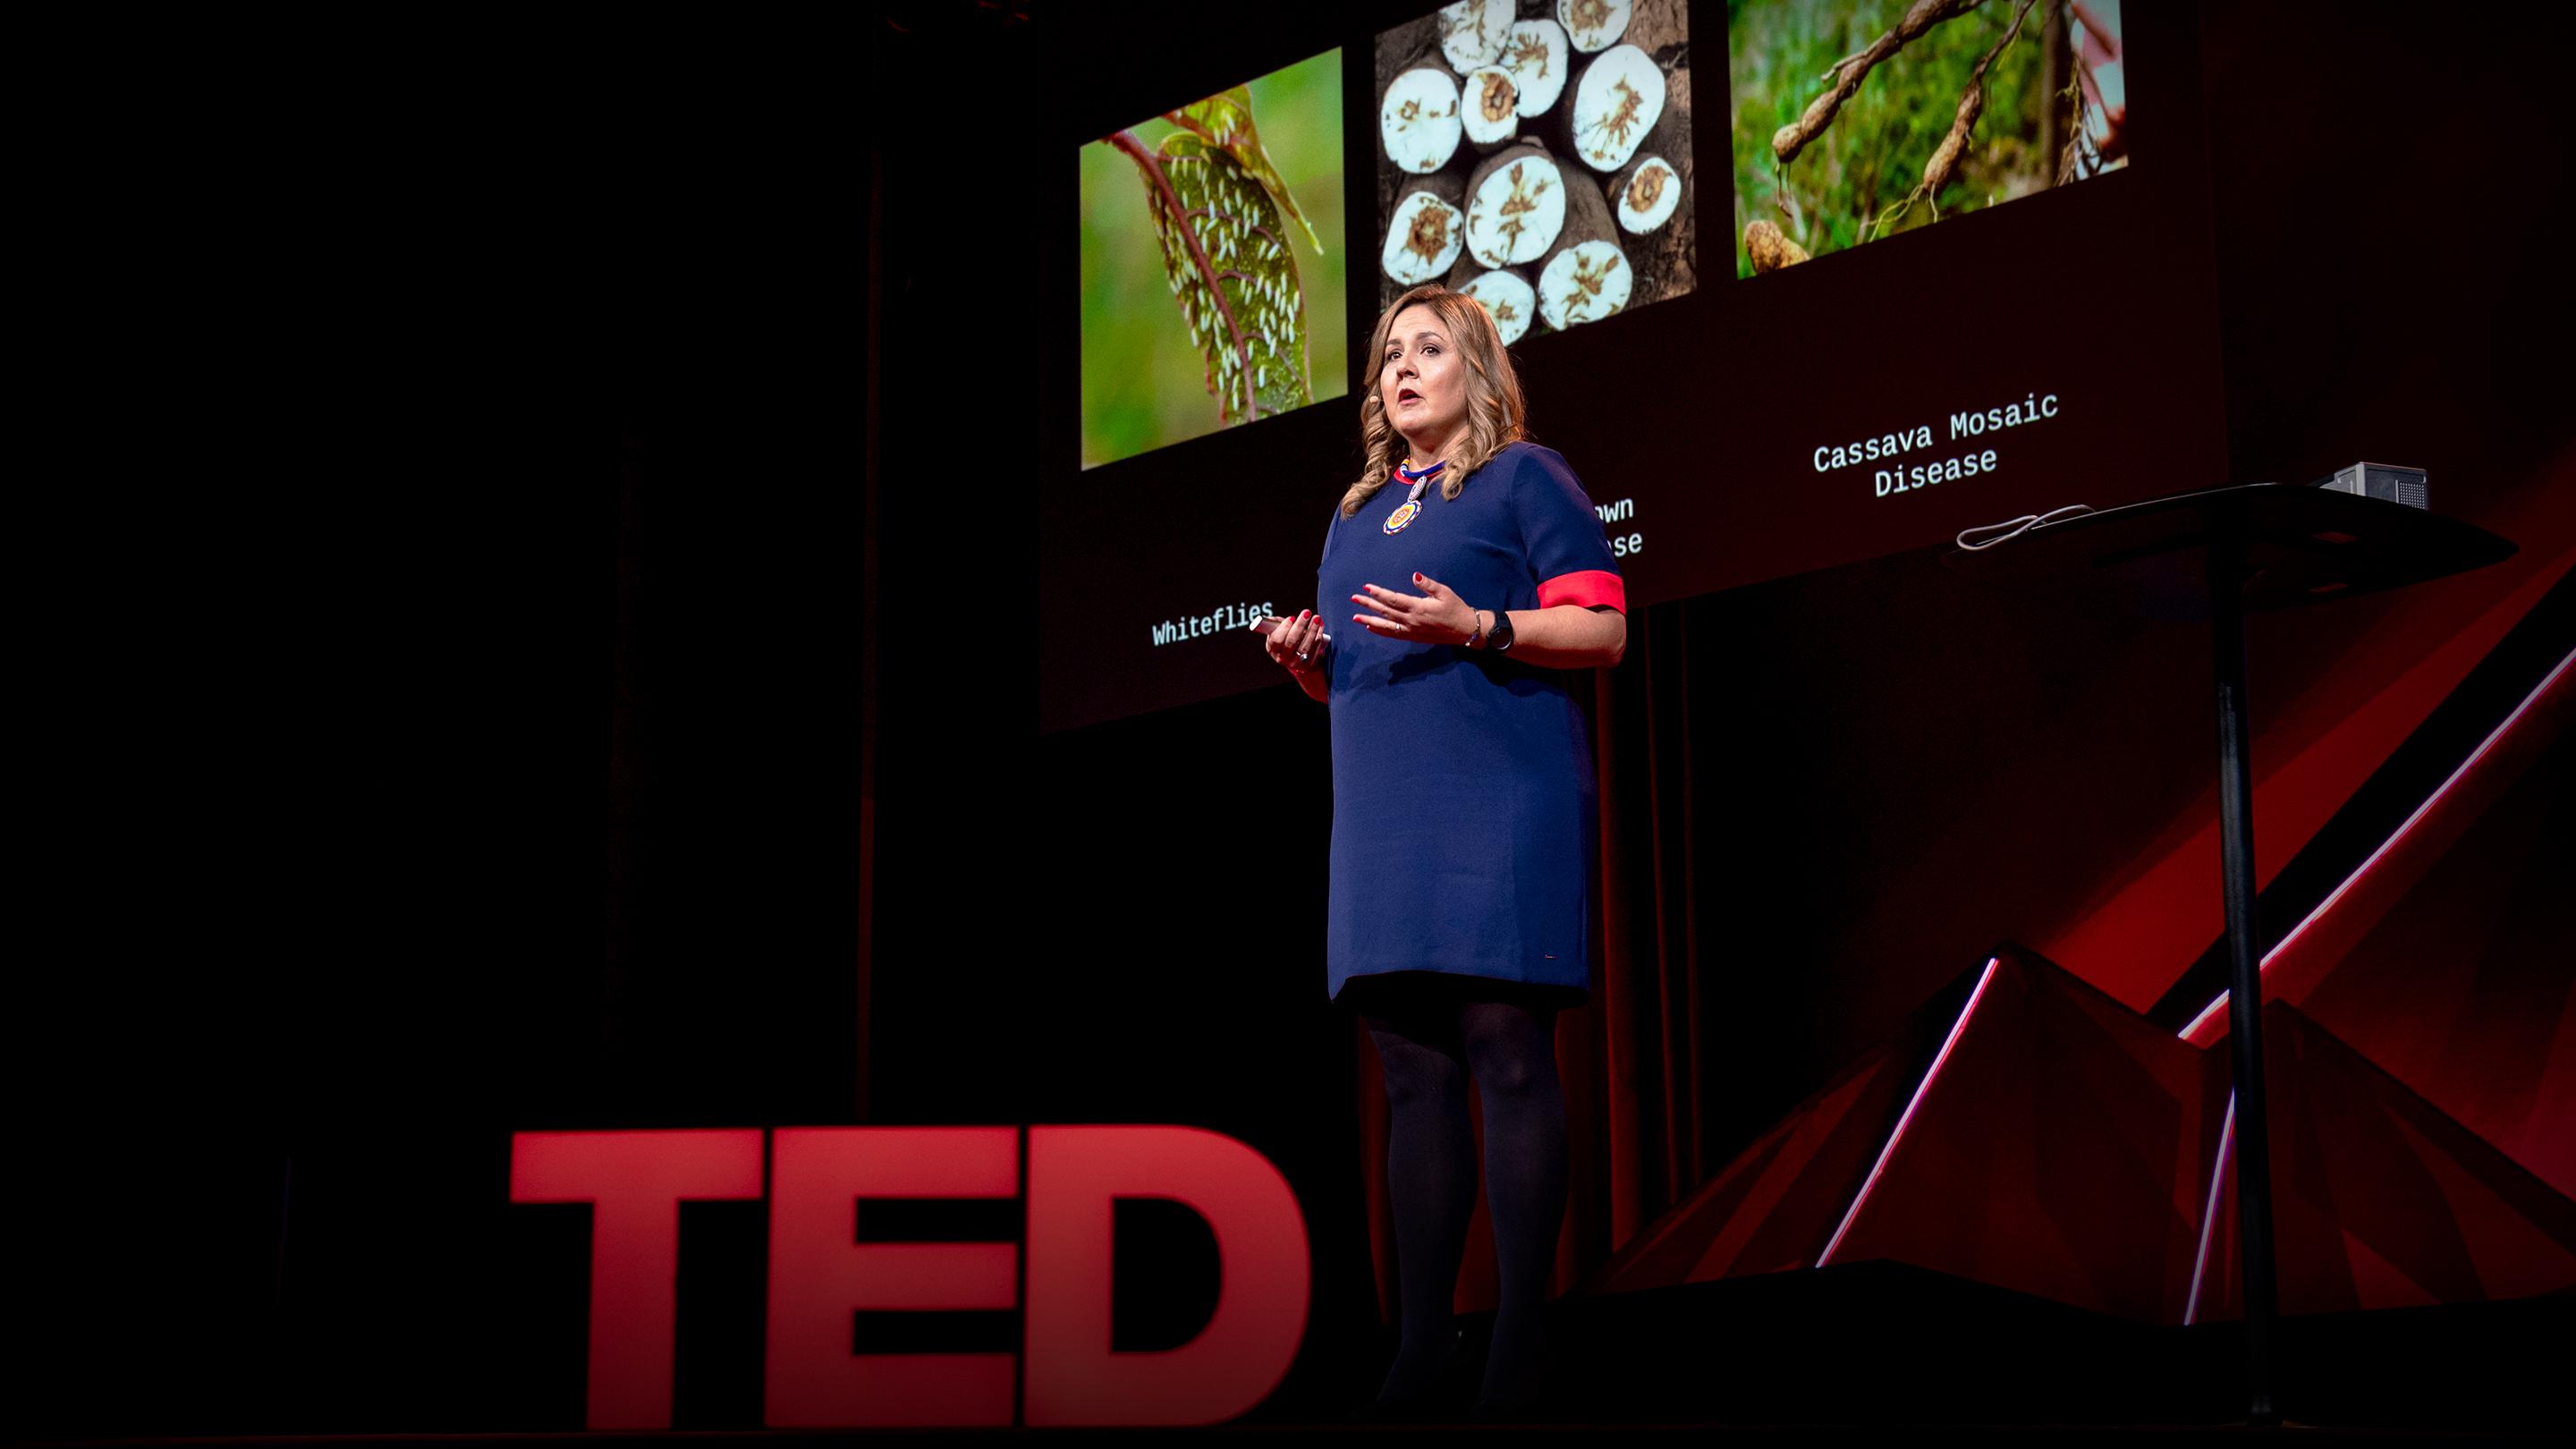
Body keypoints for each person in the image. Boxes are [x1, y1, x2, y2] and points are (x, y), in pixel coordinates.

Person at [1260, 283, 1626, 1419]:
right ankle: (1423, 1345)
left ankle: (1522, 1336)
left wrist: (1479, 624)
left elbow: (1605, 625)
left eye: (1427, 349)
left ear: (1477, 367)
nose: (1400, 370)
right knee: (1412, 1079)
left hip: (1498, 799)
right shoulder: (1353, 514)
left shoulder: (1529, 476)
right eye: (1387, 357)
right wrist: (1310, 664)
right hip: (1383, 819)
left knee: (1506, 1051)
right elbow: (1360, 672)